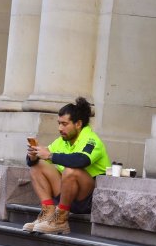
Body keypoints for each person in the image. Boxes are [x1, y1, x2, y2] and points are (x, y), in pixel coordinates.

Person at [23, 97, 110, 235]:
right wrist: (33, 156)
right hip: (67, 193)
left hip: (87, 199)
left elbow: (81, 160)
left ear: (78, 124)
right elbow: (37, 160)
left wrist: (50, 156)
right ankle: (48, 213)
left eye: (64, 124)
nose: (60, 128)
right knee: (37, 166)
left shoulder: (92, 140)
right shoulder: (63, 141)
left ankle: (61, 221)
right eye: (59, 123)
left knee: (71, 170)